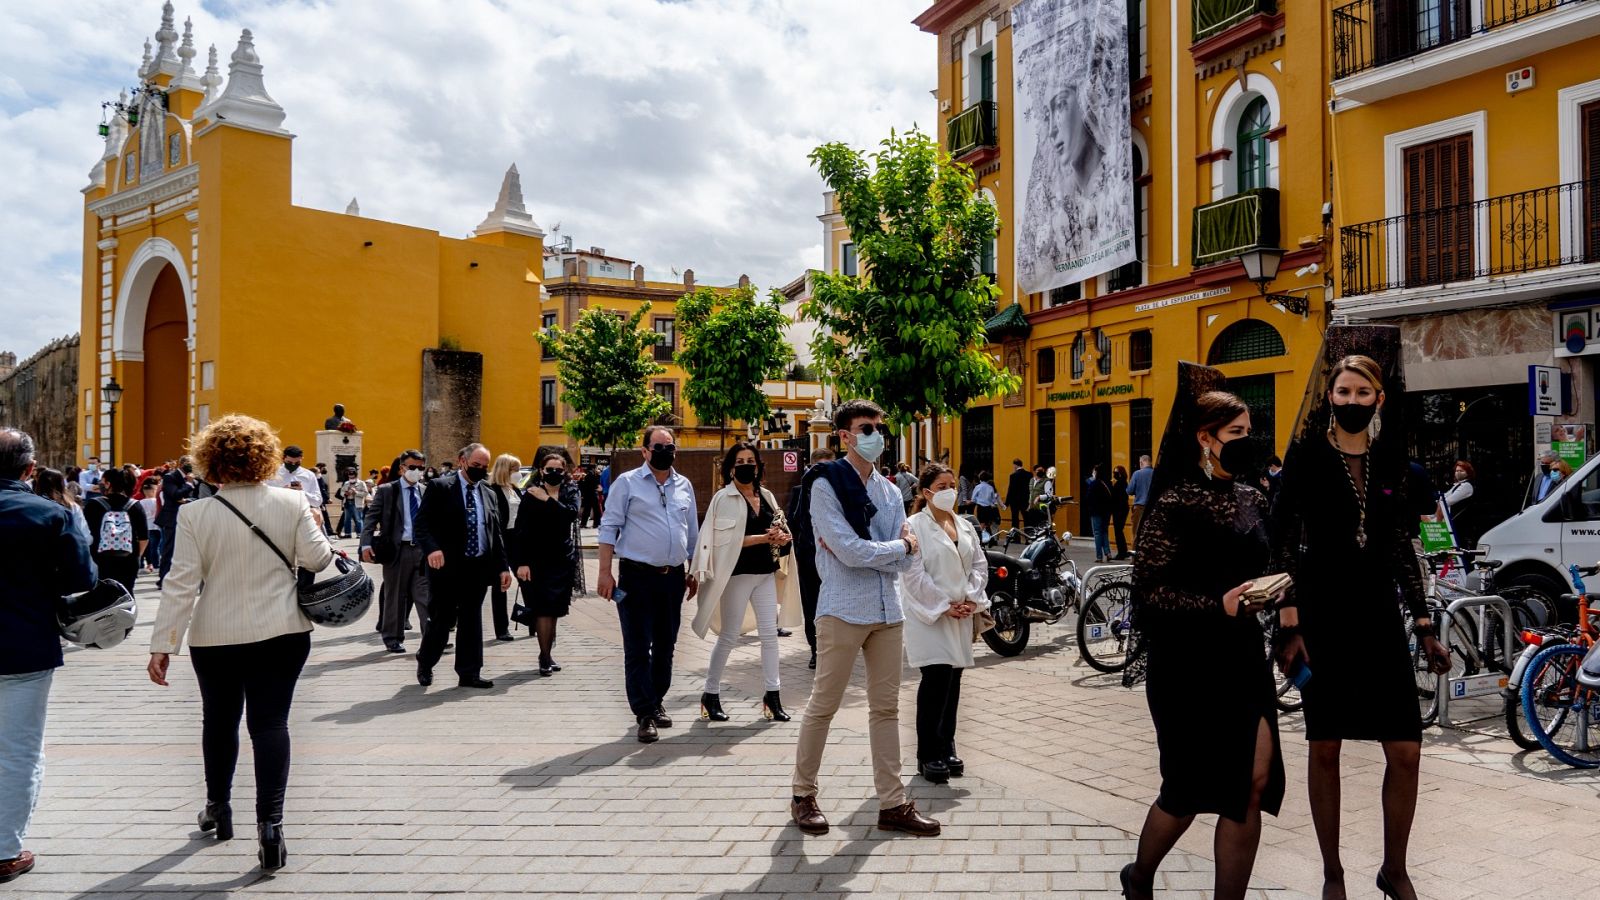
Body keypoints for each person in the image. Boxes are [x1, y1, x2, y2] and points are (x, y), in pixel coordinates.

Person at [1270, 353, 1450, 900]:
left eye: (1361, 393)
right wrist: (1289, 619)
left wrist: (1422, 624)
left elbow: (1400, 544)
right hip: (1321, 617)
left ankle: (1394, 868)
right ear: (1331, 398)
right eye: (1342, 393)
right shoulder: (1305, 458)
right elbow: (1283, 539)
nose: (1351, 402)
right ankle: (1333, 874)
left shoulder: (1392, 461)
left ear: (1379, 400)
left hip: (1378, 621)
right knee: (1326, 747)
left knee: (1406, 750)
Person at [146, 414, 336, 873]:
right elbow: (318, 558)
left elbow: (181, 582)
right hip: (282, 631)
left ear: (211, 463)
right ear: (265, 457)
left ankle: (218, 807)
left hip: (215, 635)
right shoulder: (292, 503)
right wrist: (312, 523)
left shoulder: (194, 513)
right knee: (270, 725)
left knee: (220, 720)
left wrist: (163, 645)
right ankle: (271, 826)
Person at [1123, 388, 1285, 900]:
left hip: (1242, 658)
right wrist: (1219, 604)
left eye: (1248, 432)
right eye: (1235, 433)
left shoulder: (1254, 497)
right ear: (1205, 437)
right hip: (1185, 664)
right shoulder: (1174, 500)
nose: (1246, 441)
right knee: (1188, 792)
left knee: (1251, 785)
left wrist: (1275, 592)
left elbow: (1272, 561)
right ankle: (1141, 875)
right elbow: (1148, 594)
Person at [789, 399, 939, 838]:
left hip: (887, 611)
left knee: (886, 708)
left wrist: (895, 552)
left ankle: (892, 804)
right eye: (865, 426)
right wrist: (899, 548)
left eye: (878, 425)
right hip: (842, 609)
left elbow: (890, 559)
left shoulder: (891, 491)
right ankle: (803, 794)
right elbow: (850, 551)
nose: (875, 433)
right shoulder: (825, 485)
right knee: (824, 704)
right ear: (845, 436)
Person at [0, 429, 96, 886]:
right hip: (23, 648)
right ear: (30, 470)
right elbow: (82, 576)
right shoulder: (47, 515)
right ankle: (3, 849)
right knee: (17, 750)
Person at [597, 426, 699, 743]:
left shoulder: (684, 485)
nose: (665, 451)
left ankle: (655, 701)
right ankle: (644, 713)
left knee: (666, 646)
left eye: (670, 446)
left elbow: (692, 531)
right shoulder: (627, 483)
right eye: (658, 446)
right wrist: (604, 572)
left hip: (673, 577)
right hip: (636, 576)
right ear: (644, 451)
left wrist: (694, 569)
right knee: (638, 647)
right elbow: (608, 527)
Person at [691, 442, 800, 722]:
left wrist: (781, 536)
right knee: (729, 636)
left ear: (758, 464)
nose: (746, 465)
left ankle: (772, 696)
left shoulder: (766, 496)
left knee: (769, 636)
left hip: (764, 573)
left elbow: (780, 527)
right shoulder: (722, 499)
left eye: (750, 460)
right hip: (737, 576)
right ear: (730, 468)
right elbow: (722, 544)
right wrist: (764, 538)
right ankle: (710, 694)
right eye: (739, 461)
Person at [901, 463, 988, 785]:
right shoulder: (913, 526)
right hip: (930, 615)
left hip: (962, 613)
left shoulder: (964, 525)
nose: (949, 490)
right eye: (941, 486)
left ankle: (947, 745)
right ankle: (928, 753)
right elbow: (912, 573)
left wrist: (970, 598)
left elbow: (979, 564)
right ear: (926, 493)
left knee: (953, 681)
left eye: (952, 484)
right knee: (935, 679)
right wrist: (942, 605)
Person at [413, 443, 515, 690]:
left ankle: (469, 673)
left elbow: (495, 534)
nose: (480, 470)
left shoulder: (489, 493)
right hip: (446, 567)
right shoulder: (440, 487)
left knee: (471, 620)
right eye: (476, 465)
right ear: (462, 461)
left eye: (484, 466)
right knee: (442, 620)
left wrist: (503, 567)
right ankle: (426, 662)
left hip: (477, 567)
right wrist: (432, 548)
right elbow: (422, 524)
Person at [512, 446, 582, 677]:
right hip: (536, 560)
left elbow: (571, 515)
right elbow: (521, 530)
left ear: (564, 471)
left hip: (562, 559)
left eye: (559, 469)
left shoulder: (571, 491)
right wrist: (521, 562)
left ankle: (548, 654)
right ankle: (544, 656)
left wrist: (549, 500)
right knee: (543, 609)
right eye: (549, 469)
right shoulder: (531, 494)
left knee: (554, 610)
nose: (554, 473)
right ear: (541, 471)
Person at [361, 450, 431, 653]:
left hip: (422, 550)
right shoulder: (387, 490)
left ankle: (433, 637)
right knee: (396, 595)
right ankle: (393, 637)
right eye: (412, 467)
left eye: (420, 468)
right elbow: (371, 519)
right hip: (397, 550)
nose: (416, 471)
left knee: (425, 595)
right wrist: (365, 544)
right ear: (401, 468)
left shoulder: (425, 491)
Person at [787, 447, 835, 670]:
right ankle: (815, 650)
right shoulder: (800, 490)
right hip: (808, 558)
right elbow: (792, 522)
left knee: (836, 605)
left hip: (838, 560)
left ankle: (836, 650)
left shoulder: (842, 490)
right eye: (820, 468)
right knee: (812, 606)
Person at [82, 465, 149, 591]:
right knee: (126, 594)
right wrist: (136, 556)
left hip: (100, 558)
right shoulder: (135, 506)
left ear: (108, 484)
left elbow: (85, 534)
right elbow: (144, 537)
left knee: (101, 596)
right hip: (129, 558)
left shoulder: (93, 505)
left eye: (102, 482)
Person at [487, 454, 523, 643]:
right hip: (499, 540)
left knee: (525, 579)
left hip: (516, 539)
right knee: (500, 585)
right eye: (515, 470)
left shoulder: (515, 490)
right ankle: (501, 629)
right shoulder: (492, 490)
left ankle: (530, 619)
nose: (518, 474)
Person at [156, 457, 196, 587]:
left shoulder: (192, 478)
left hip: (188, 517)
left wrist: (187, 500)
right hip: (172, 518)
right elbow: (176, 494)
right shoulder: (170, 477)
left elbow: (192, 498)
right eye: (189, 463)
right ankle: (163, 579)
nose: (191, 466)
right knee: (170, 549)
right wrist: (188, 485)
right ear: (181, 464)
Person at [32, 467, 90, 544]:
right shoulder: (72, 506)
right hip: (67, 550)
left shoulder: (32, 504)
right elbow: (85, 537)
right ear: (62, 484)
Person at [1083, 464, 1114, 563]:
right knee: (1104, 532)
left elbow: (1088, 498)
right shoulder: (1107, 483)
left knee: (1097, 533)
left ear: (1096, 472)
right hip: (1106, 512)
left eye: (1094, 471)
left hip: (1096, 512)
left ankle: (1099, 556)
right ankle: (1108, 553)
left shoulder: (1093, 484)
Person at [336, 468, 368, 539]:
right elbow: (341, 492)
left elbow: (365, 493)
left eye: (352, 476)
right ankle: (347, 534)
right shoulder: (346, 483)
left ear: (355, 476)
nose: (351, 478)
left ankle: (359, 534)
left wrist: (356, 492)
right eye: (350, 477)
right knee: (347, 519)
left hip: (356, 503)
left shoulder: (361, 483)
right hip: (347, 502)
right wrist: (345, 493)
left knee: (358, 519)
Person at [1128, 454, 1154, 539]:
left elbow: (1129, 490)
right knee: (1151, 533)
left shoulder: (1137, 474)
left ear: (1142, 462)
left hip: (1139, 507)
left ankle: (1136, 551)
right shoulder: (1156, 474)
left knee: (1136, 533)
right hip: (1153, 508)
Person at [139, 480, 162, 572]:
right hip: (155, 526)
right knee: (155, 547)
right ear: (153, 491)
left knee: (144, 548)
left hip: (145, 527)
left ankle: (141, 565)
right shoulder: (156, 501)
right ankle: (155, 565)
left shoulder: (140, 502)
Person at [1110, 465, 1131, 559]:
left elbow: (1116, 497)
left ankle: (1121, 552)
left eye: (1116, 472)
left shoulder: (1120, 484)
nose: (1114, 474)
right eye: (1114, 472)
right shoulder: (1123, 483)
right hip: (1122, 509)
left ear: (1121, 473)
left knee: (1118, 531)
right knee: (1119, 531)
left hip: (1119, 510)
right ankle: (1123, 551)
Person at [971, 469, 1001, 536]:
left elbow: (973, 499)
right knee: (987, 524)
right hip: (988, 508)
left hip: (980, 507)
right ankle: (989, 538)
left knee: (981, 523)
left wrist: (977, 500)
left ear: (980, 478)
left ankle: (980, 538)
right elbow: (993, 500)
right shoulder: (990, 487)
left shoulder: (978, 487)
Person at [578, 464, 603, 529]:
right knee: (596, 510)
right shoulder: (592, 475)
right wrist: (598, 476)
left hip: (587, 496)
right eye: (595, 468)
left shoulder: (586, 476)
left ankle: (583, 524)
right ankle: (596, 524)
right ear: (593, 468)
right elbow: (596, 484)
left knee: (586, 510)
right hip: (593, 495)